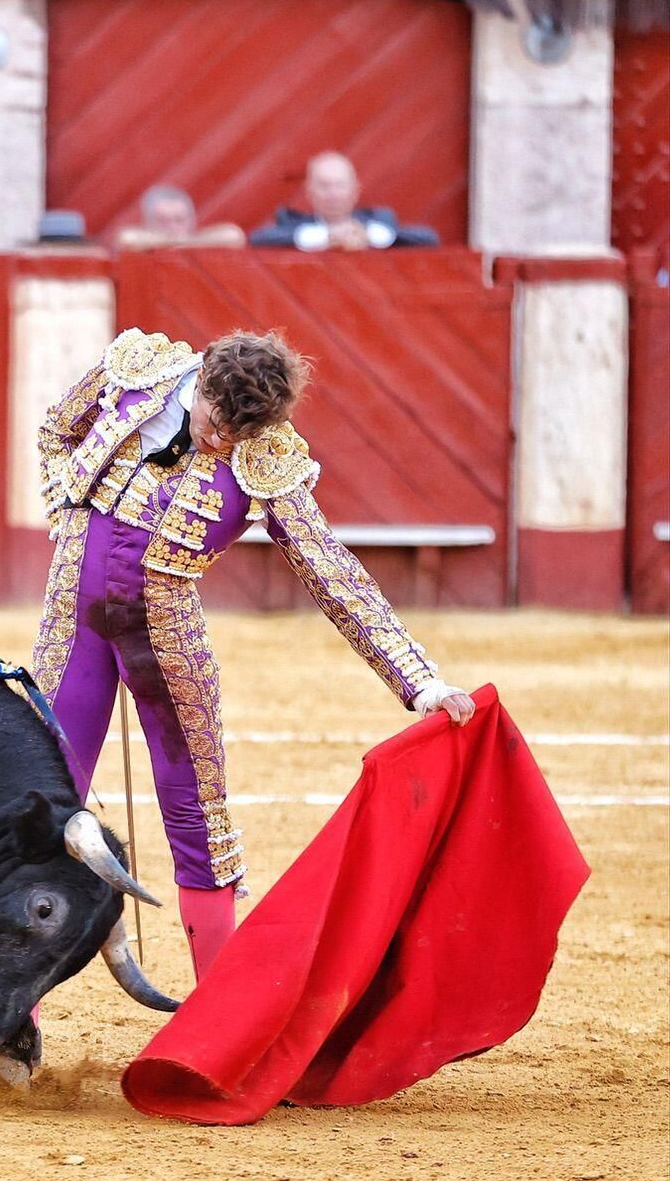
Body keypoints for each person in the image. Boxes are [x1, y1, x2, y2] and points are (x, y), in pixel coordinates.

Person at [32, 327, 473, 983]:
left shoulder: (266, 455)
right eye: (215, 421)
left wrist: (419, 681)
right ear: (201, 380)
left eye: (238, 434)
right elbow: (57, 431)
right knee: (39, 793)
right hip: (75, 622)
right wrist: (70, 514)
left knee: (195, 811)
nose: (221, 441)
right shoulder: (136, 371)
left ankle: (220, 1019)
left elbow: (330, 568)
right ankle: (8, 1012)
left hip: (165, 637)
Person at [249, 151, 439, 250]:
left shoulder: (379, 221)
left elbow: (428, 238)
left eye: (339, 185)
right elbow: (258, 238)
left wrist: (369, 235)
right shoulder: (292, 223)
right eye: (324, 186)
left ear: (355, 190)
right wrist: (327, 237)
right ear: (309, 191)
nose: (332, 194)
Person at [118, 185, 246, 250]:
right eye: (163, 221)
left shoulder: (199, 240)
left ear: (191, 220)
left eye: (179, 220)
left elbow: (234, 235)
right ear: (148, 222)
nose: (172, 226)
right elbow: (127, 238)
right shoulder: (139, 241)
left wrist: (180, 242)